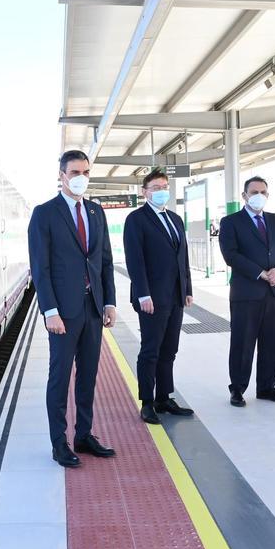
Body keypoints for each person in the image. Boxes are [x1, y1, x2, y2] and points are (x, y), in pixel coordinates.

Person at [27, 150, 118, 468]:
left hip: (93, 308)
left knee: (89, 375)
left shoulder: (96, 211)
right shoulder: (45, 213)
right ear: (61, 175)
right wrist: (49, 310)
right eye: (75, 172)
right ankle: (59, 443)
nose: (81, 178)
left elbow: (104, 260)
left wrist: (109, 301)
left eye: (86, 172)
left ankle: (84, 434)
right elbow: (41, 267)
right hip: (63, 313)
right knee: (59, 377)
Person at [122, 169, 194, 424]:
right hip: (151, 297)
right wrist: (143, 294)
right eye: (155, 187)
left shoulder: (175, 219)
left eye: (164, 186)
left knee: (170, 349)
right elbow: (135, 260)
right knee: (150, 350)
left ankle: (164, 397)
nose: (161, 191)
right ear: (145, 191)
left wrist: (188, 290)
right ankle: (147, 402)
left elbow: (182, 257)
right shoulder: (136, 220)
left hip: (175, 296)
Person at [217, 176, 275, 407]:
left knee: (273, 342)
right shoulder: (231, 222)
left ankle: (267, 387)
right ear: (244, 196)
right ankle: (238, 389)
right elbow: (230, 254)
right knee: (243, 342)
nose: (258, 196)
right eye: (254, 192)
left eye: (263, 192)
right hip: (247, 292)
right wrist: (261, 272)